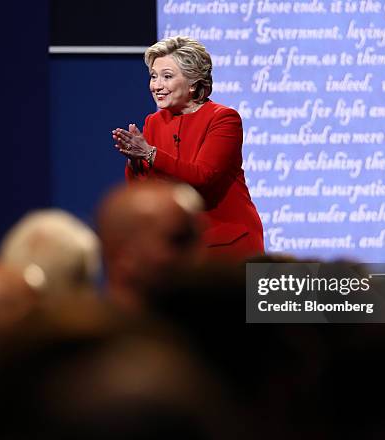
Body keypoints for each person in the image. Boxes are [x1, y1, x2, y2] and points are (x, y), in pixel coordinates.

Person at [112, 36, 264, 260]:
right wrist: (134, 163)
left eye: (167, 76)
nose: (157, 85)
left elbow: (203, 178)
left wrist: (149, 153)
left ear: (193, 83)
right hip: (182, 250)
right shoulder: (153, 121)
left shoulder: (223, 119)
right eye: (153, 76)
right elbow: (149, 191)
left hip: (229, 243)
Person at [97, 181, 203, 313]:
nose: (198, 256)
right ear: (120, 254)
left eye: (196, 241)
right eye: (178, 240)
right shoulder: (78, 332)